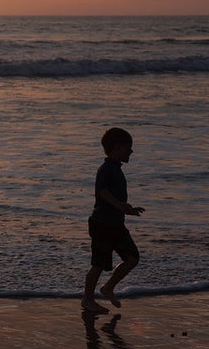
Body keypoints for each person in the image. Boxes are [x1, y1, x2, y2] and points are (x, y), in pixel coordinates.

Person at [82, 127, 145, 314]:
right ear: (117, 147)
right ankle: (87, 299)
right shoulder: (106, 168)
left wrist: (129, 210)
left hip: (117, 225)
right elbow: (103, 192)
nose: (131, 152)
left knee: (133, 258)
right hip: (102, 224)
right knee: (98, 264)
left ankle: (108, 287)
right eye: (128, 148)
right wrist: (120, 205)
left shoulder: (116, 169)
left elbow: (115, 198)